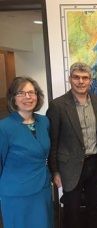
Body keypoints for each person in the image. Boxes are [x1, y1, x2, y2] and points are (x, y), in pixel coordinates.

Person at [46, 62, 97, 228]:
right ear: (70, 79)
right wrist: (55, 171)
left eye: (85, 78)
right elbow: (53, 141)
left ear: (90, 81)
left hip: (95, 164)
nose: (81, 81)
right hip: (69, 167)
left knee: (95, 208)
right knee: (72, 211)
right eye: (76, 77)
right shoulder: (57, 106)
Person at [0, 76, 53, 228]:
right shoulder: (4, 127)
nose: (28, 97)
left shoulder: (44, 122)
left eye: (32, 92)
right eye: (21, 93)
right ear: (13, 99)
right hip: (16, 194)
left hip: (42, 189)